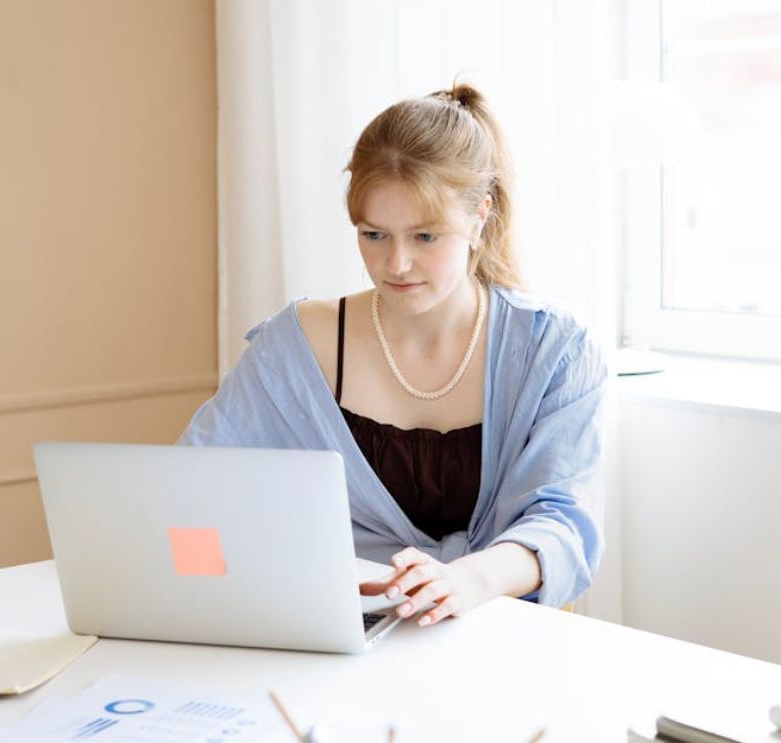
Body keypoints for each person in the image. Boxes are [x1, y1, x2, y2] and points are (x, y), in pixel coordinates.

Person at [179, 83, 607, 628]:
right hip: (328, 635)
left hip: (496, 631)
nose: (396, 263)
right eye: (374, 234)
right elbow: (192, 485)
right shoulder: (296, 346)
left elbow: (565, 525)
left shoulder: (557, 351)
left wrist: (466, 580)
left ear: (480, 216)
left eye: (425, 236)